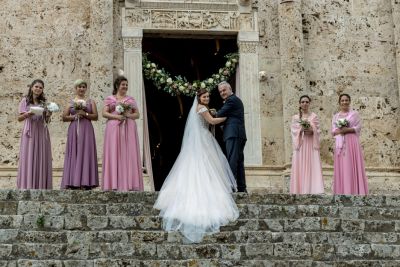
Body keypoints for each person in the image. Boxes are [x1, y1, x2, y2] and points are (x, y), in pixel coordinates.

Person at [154, 88, 239, 243]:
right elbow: (212, 121)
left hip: (201, 139)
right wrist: (227, 116)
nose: (207, 98)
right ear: (199, 98)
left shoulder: (198, 108)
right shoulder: (202, 108)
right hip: (204, 140)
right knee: (206, 165)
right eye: (204, 96)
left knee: (205, 165)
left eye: (208, 96)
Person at [102, 76, 143, 191]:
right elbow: (104, 113)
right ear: (117, 86)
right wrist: (116, 116)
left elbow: (137, 115)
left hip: (128, 127)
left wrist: (127, 115)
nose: (125, 86)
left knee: (128, 153)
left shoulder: (131, 99)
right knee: (114, 152)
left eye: (126, 84)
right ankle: (113, 183)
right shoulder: (110, 99)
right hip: (113, 128)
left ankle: (130, 182)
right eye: (123, 84)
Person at [61, 79, 99, 189]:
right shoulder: (71, 102)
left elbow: (96, 117)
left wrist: (85, 113)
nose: (81, 89)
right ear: (76, 88)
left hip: (87, 129)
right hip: (74, 129)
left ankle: (87, 182)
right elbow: (64, 117)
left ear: (86, 89)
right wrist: (74, 117)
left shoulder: (91, 102)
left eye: (83, 87)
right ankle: (73, 181)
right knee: (74, 152)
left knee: (86, 152)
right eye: (79, 87)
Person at [17, 79, 53, 189]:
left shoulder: (44, 103)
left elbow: (47, 121)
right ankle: (27, 185)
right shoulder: (25, 101)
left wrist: (48, 114)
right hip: (30, 131)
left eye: (40, 87)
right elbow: (19, 118)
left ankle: (41, 185)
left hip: (41, 131)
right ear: (32, 87)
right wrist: (29, 113)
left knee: (41, 155)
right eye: (36, 86)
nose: (38, 89)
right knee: (29, 155)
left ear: (42, 90)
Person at [332, 93, 368, 195]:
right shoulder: (336, 116)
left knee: (352, 164)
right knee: (343, 166)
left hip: (352, 143)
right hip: (340, 145)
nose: (344, 102)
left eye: (346, 100)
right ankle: (342, 191)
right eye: (342, 100)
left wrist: (347, 129)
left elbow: (358, 127)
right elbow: (333, 131)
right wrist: (341, 131)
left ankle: (355, 190)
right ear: (339, 103)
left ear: (349, 101)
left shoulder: (355, 114)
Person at [216, 81, 247, 192]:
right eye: (220, 91)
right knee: (238, 161)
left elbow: (219, 114)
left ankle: (231, 187)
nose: (222, 93)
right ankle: (242, 188)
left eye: (224, 90)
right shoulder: (233, 100)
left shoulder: (231, 100)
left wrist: (209, 113)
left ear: (230, 89)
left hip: (233, 134)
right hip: (238, 134)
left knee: (232, 160)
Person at [290, 95, 324, 194]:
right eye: (303, 102)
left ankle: (313, 189)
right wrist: (301, 129)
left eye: (307, 102)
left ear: (309, 103)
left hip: (311, 144)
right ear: (300, 104)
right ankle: (299, 190)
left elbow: (317, 130)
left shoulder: (314, 116)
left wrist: (311, 128)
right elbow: (294, 131)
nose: (305, 104)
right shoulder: (295, 117)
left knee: (312, 164)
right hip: (301, 144)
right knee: (300, 164)